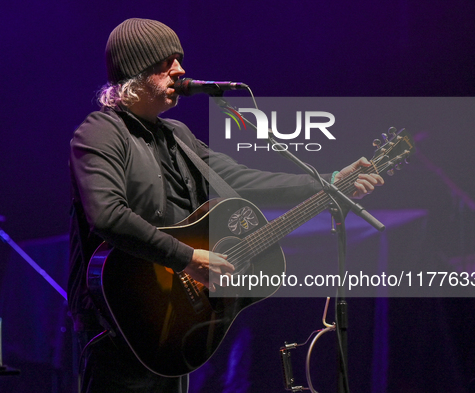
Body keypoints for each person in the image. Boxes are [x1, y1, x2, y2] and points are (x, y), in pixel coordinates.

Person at [67, 18, 383, 393]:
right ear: (136, 72)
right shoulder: (101, 132)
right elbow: (107, 215)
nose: (181, 69)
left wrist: (329, 183)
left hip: (175, 321)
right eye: (167, 62)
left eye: (179, 59)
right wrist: (188, 258)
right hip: (121, 322)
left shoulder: (177, 135)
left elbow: (242, 179)